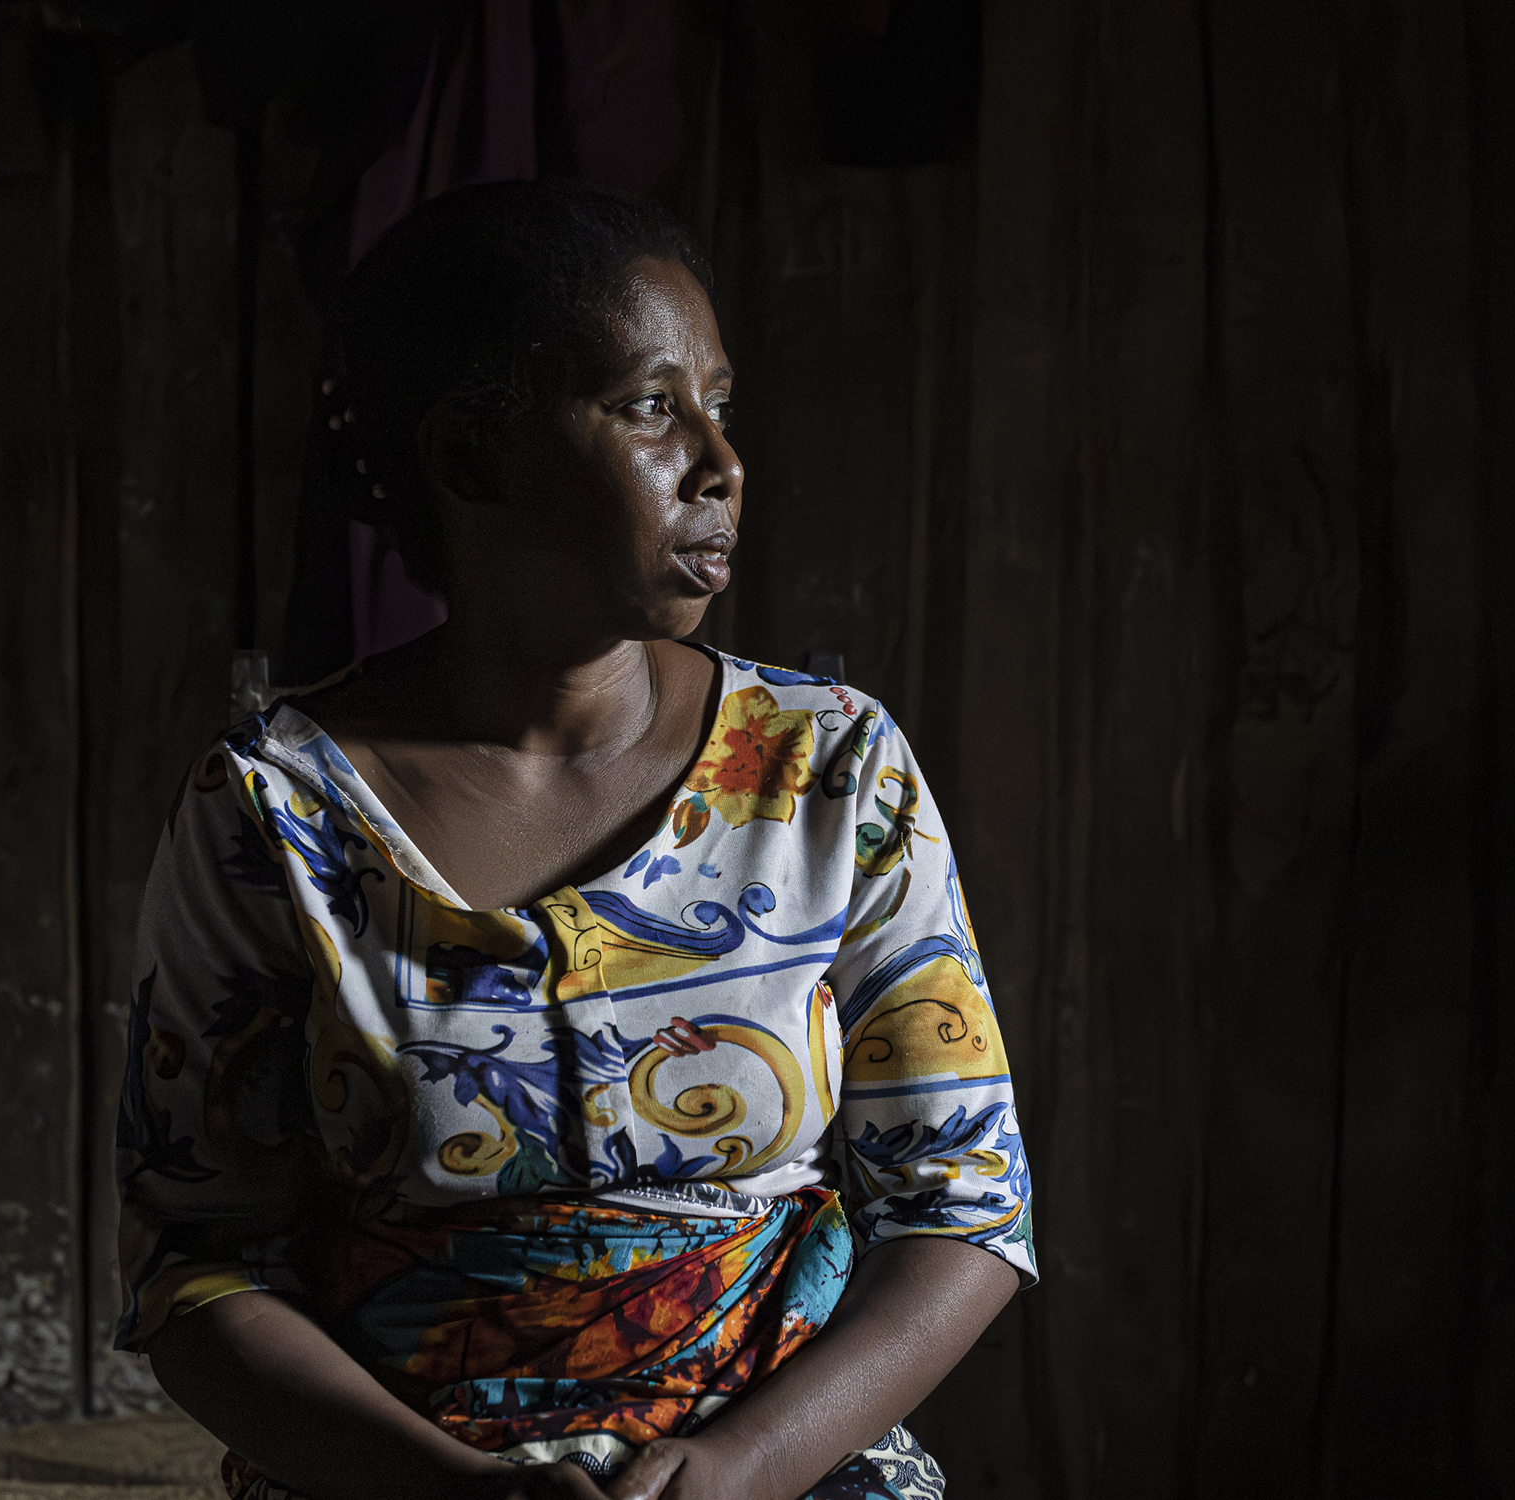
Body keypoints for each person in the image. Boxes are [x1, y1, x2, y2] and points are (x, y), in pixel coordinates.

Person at [113, 179, 1033, 1500]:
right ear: (471, 457)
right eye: (652, 406)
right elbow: (194, 1263)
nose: (720, 462)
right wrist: (451, 1491)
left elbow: (964, 1209)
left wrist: (739, 1466)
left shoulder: (827, 767)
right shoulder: (275, 812)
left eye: (720, 404)